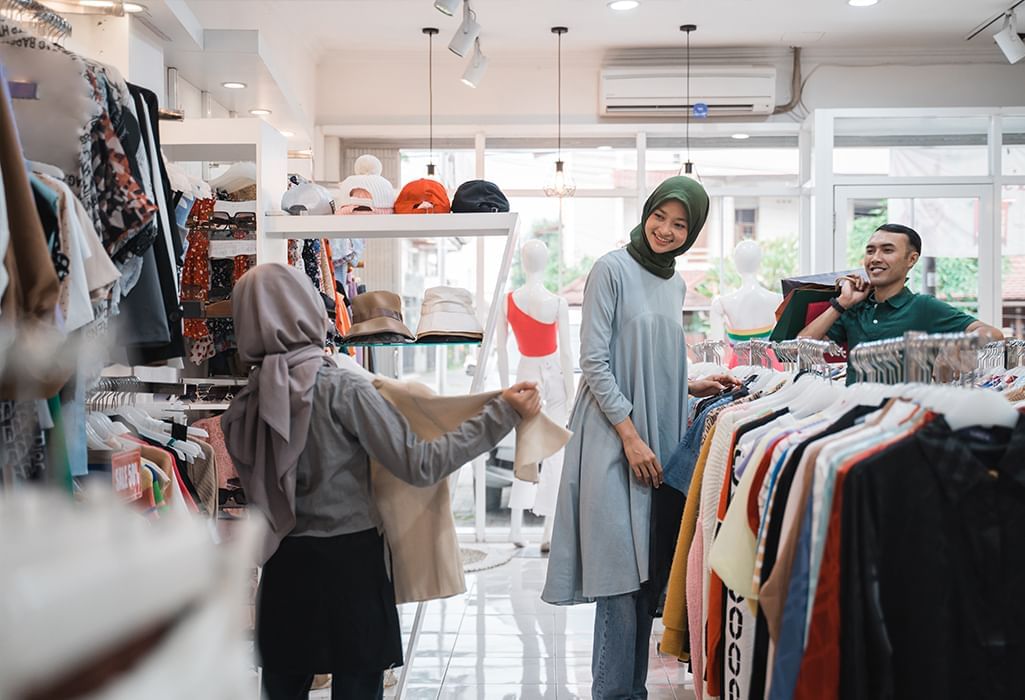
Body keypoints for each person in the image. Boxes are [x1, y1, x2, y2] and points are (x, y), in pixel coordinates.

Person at [220, 264, 541, 700]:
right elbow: (421, 464)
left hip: (282, 567)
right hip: (349, 565)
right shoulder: (340, 387)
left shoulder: (246, 404)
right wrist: (500, 415)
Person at [541, 176, 740, 700]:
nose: (667, 231)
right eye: (661, 217)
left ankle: (633, 692)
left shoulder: (674, 283)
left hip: (660, 434)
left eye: (681, 224)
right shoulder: (610, 269)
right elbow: (595, 362)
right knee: (618, 579)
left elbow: (656, 356)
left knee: (648, 577)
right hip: (612, 435)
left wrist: (690, 383)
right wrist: (629, 436)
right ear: (646, 212)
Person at [799, 223, 1003, 380]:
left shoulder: (923, 306)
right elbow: (801, 347)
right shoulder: (854, 308)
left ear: (911, 260)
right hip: (855, 414)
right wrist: (842, 302)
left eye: (887, 250)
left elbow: (993, 334)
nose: (875, 258)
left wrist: (956, 346)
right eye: (870, 251)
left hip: (904, 417)